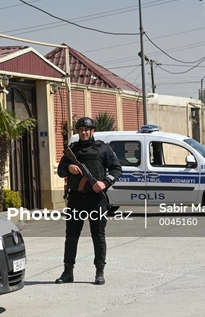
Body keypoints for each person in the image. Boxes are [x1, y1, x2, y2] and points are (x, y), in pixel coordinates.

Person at [55, 116, 122, 285]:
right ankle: (68, 272)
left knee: (98, 236)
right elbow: (60, 171)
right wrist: (68, 168)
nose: (84, 133)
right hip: (76, 199)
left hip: (96, 199)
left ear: (93, 131)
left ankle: (99, 272)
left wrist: (104, 182)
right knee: (71, 237)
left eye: (87, 130)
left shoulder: (103, 149)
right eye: (81, 130)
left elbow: (117, 169)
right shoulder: (72, 150)